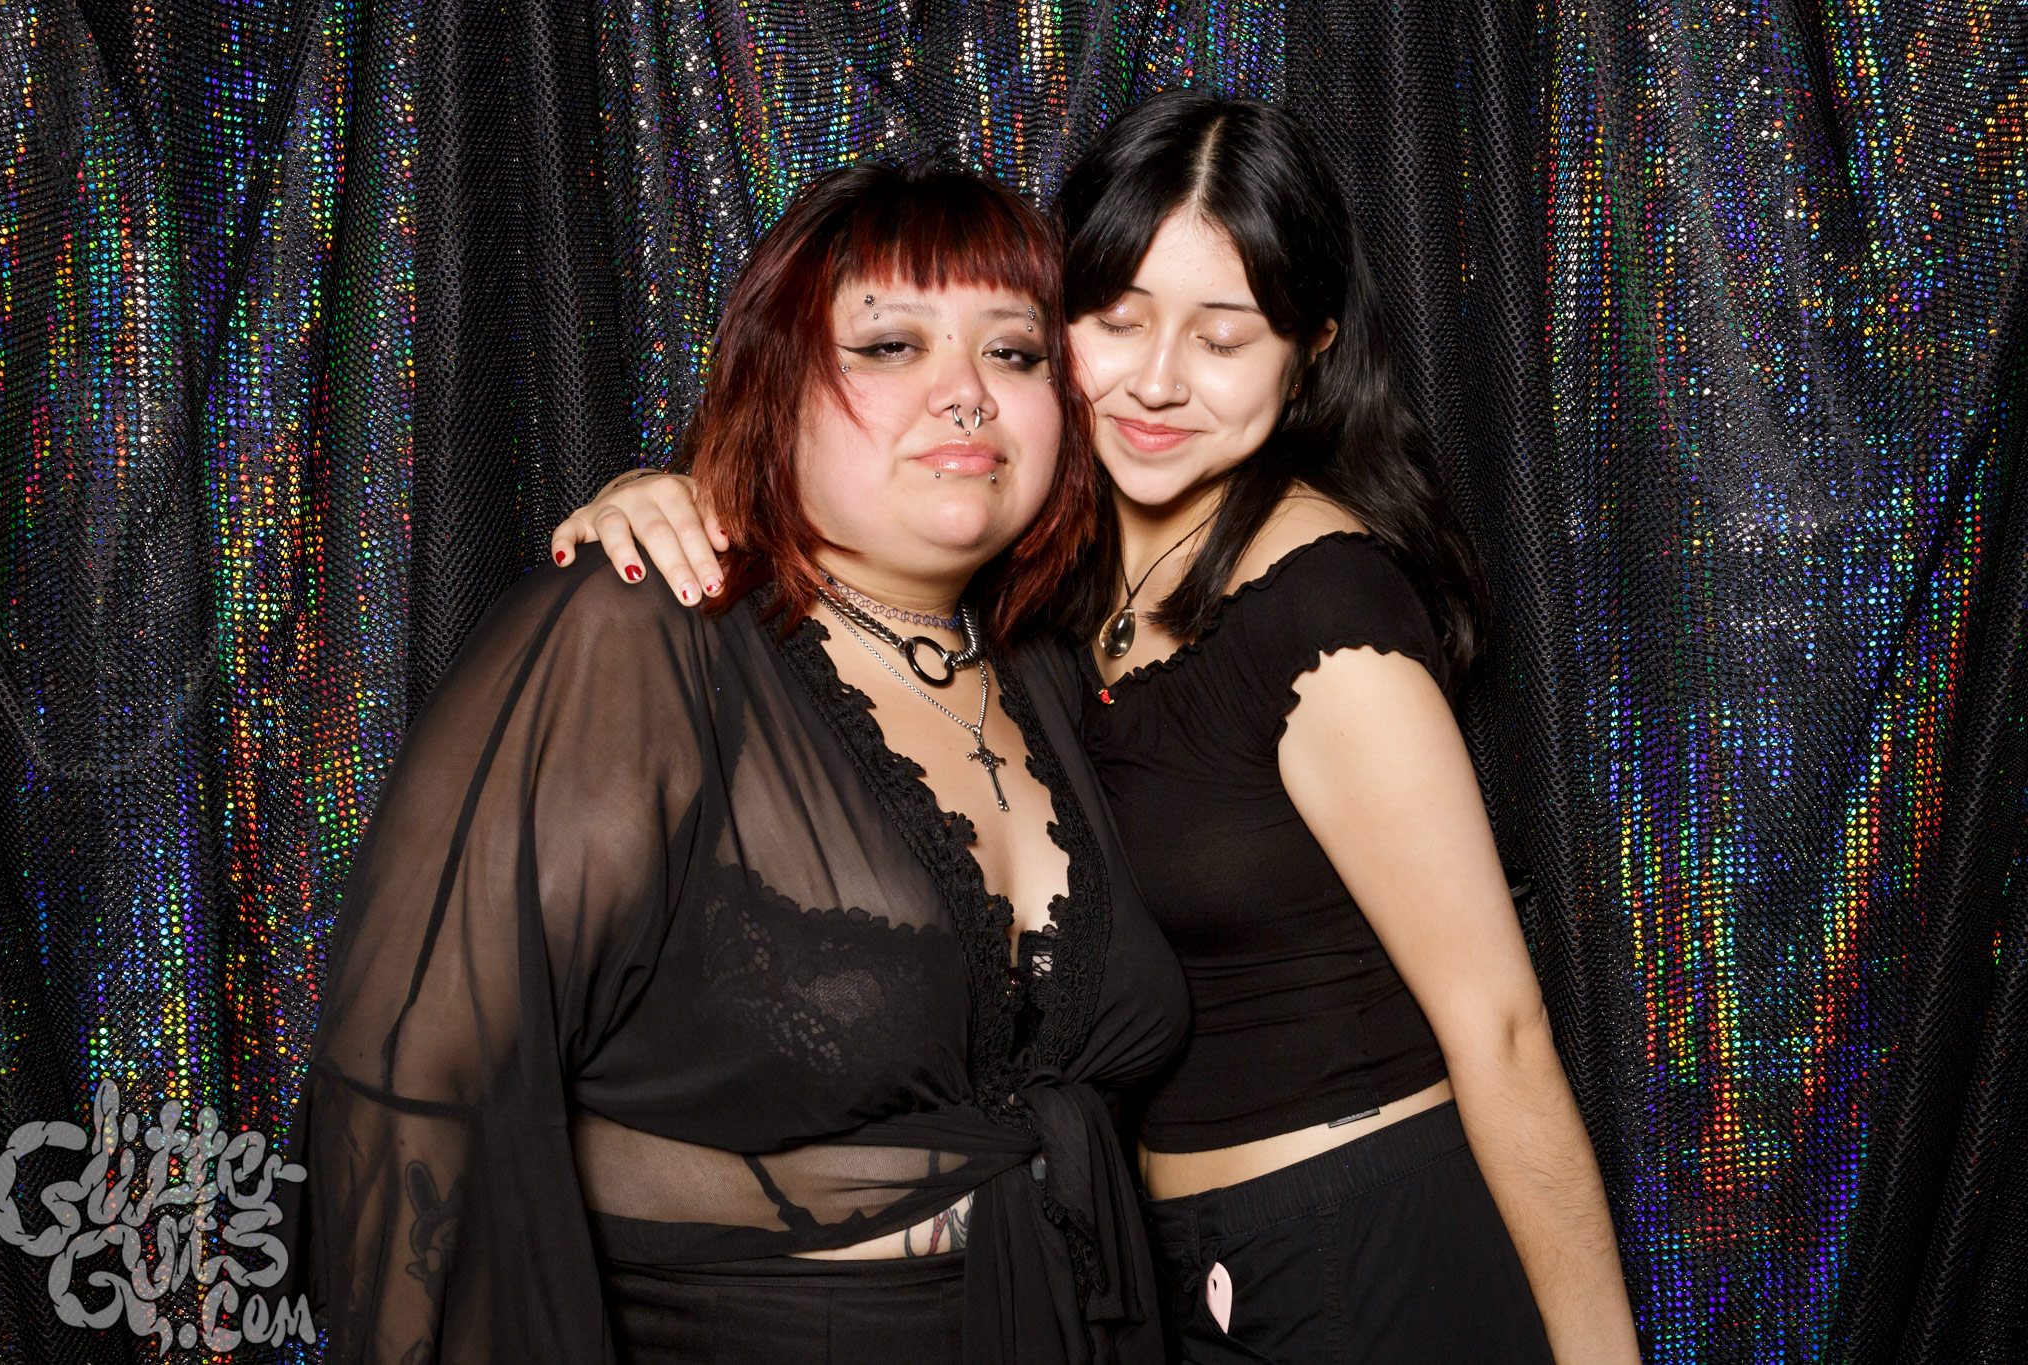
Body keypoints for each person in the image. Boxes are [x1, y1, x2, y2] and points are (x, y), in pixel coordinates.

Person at [554, 91, 1643, 1364]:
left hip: (1364, 1248)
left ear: (1308, 355)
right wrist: (662, 494)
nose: (1157, 381)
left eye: (1223, 338)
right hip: (1153, 1270)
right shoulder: (1033, 581)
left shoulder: (1325, 609)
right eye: (1115, 321)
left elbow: (1502, 1031)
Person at [288, 161, 1190, 1365]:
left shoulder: (1048, 669)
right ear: (775, 385)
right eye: (888, 346)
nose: (964, 395)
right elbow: (412, 1091)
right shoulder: (637, 633)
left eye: (1013, 353)